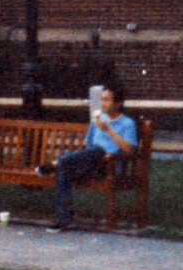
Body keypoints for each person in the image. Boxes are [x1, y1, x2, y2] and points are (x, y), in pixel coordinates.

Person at [35, 82, 137, 229]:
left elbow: (129, 149)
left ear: (118, 103)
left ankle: (55, 163)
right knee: (66, 168)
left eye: (107, 100)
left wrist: (108, 130)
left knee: (98, 151)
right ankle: (63, 220)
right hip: (91, 163)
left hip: (110, 167)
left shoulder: (127, 123)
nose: (102, 103)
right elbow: (88, 146)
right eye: (101, 99)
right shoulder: (98, 120)